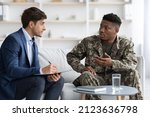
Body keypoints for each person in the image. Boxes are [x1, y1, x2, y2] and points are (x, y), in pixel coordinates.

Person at [67, 13, 143, 100]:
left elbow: (132, 63)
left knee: (133, 73)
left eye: (107, 28)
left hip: (116, 79)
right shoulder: (88, 41)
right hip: (95, 78)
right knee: (86, 75)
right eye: (101, 26)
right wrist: (83, 68)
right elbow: (71, 56)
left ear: (117, 30)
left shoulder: (125, 44)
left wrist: (112, 63)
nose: (102, 30)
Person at [0, 7, 64, 100]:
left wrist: (49, 77)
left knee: (59, 81)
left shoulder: (33, 43)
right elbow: (12, 70)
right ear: (31, 24)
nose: (44, 28)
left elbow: (35, 71)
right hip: (10, 86)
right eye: (42, 24)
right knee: (38, 81)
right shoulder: (13, 40)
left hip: (26, 82)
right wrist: (41, 70)